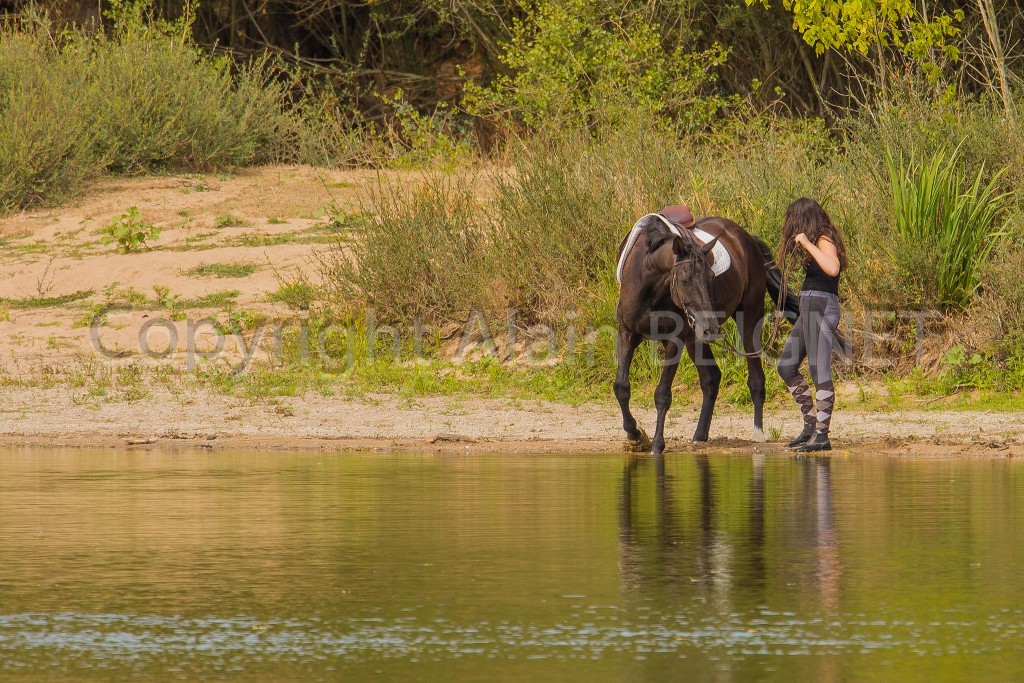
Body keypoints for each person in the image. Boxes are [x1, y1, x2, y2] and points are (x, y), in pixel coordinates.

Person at [776, 198, 847, 452]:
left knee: (820, 372)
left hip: (822, 307)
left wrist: (807, 242)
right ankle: (810, 425)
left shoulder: (824, 239)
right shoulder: (817, 240)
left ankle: (822, 435)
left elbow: (833, 267)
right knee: (786, 366)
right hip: (809, 309)